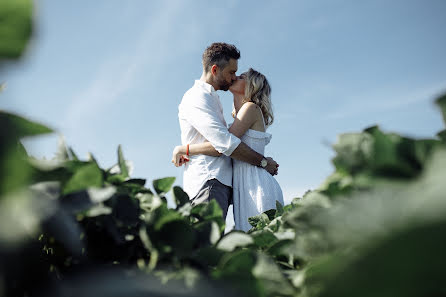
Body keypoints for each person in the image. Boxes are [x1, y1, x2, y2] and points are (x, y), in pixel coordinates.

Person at [173, 42, 279, 221]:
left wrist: (184, 149)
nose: (234, 77)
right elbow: (223, 144)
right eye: (231, 72)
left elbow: (223, 143)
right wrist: (262, 161)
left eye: (238, 75)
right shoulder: (198, 97)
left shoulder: (216, 100)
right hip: (209, 180)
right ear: (215, 70)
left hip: (229, 184)